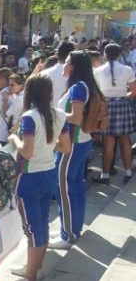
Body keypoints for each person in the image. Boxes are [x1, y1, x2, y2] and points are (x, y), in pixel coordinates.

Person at [3, 75, 71, 281]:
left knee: (33, 229)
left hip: (29, 178)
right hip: (49, 173)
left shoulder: (30, 117)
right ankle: (35, 268)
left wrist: (13, 140)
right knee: (41, 224)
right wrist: (47, 147)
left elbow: (27, 152)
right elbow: (66, 148)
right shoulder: (60, 115)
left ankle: (30, 279)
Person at [49, 51, 104, 250]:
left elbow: (76, 118)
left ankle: (68, 234)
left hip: (71, 144)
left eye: (66, 62)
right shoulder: (85, 85)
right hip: (81, 142)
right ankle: (72, 228)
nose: (63, 65)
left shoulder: (78, 88)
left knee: (63, 187)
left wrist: (54, 113)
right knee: (76, 186)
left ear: (73, 66)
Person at [93, 43, 135, 184]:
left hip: (106, 106)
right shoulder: (128, 69)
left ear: (105, 54)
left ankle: (105, 175)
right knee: (125, 141)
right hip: (122, 105)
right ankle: (128, 172)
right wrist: (123, 96)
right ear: (119, 54)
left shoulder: (98, 71)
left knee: (108, 142)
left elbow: (96, 93)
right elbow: (134, 92)